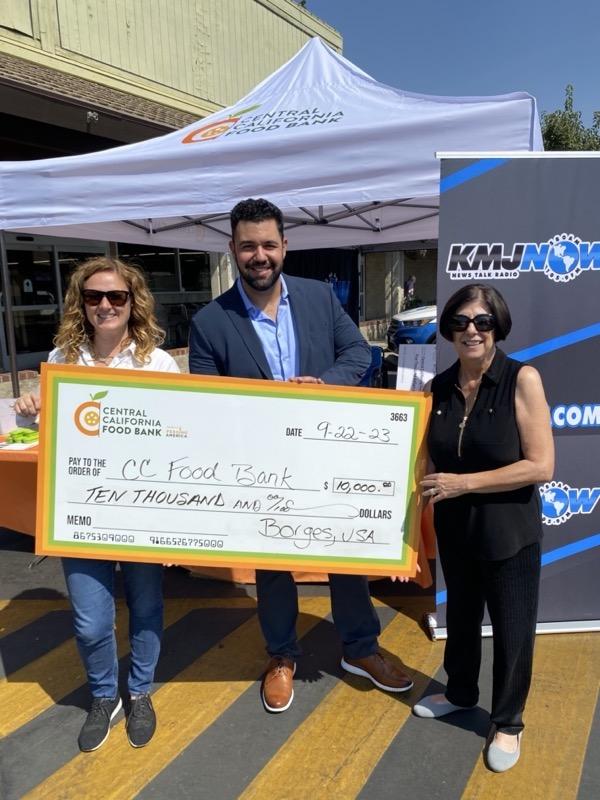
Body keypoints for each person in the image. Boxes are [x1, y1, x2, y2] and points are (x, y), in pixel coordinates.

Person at [189, 197, 413, 713]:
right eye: (248, 246)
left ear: (285, 246)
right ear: (233, 249)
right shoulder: (210, 320)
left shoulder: (316, 297)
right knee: (271, 565)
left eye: (269, 244)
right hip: (260, 466)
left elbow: (359, 353)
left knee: (346, 556)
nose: (259, 255)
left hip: (327, 455)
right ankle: (282, 657)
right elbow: (204, 397)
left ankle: (361, 649)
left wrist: (323, 385)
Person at [15, 256, 179, 752]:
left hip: (141, 508)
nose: (105, 305)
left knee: (147, 604)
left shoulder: (158, 363)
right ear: (80, 304)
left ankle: (141, 691)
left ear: (134, 303)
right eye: (94, 297)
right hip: (82, 510)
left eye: (116, 297)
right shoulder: (62, 359)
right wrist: (32, 408)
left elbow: (182, 436)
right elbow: (56, 438)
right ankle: (104, 696)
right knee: (89, 617)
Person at [412, 283, 554, 773]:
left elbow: (541, 466)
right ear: (448, 330)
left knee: (514, 631)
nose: (471, 330)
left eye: (482, 321)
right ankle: (460, 692)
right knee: (464, 620)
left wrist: (463, 483)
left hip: (509, 533)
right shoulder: (437, 388)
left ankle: (509, 722)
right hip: (457, 530)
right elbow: (422, 458)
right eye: (460, 322)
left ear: (497, 326)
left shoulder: (522, 379)